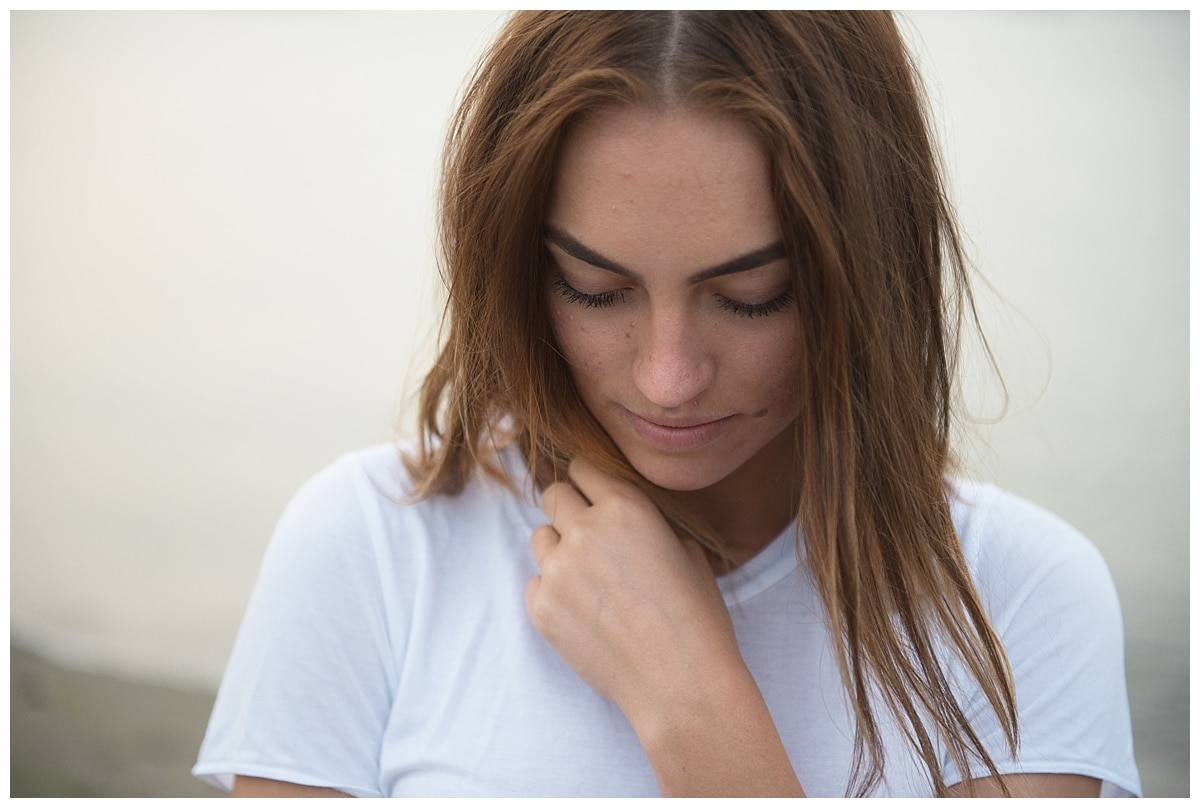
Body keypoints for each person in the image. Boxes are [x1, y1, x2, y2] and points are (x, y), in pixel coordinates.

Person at [193, 11, 1140, 797]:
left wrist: (696, 706)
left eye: (752, 296)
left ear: (871, 273)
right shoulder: (370, 546)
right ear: (521, 268)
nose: (667, 379)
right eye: (594, 290)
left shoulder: (1018, 602)